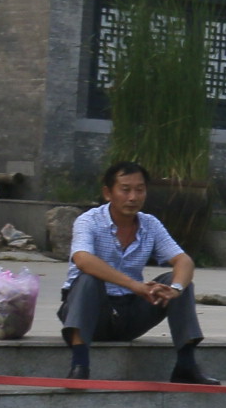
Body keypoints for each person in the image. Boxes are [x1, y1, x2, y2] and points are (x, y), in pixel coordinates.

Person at [62, 163, 215, 383]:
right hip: (90, 312)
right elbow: (82, 259)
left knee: (181, 284)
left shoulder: (150, 224)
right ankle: (79, 364)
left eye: (139, 190)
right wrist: (134, 285)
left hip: (129, 314)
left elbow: (183, 260)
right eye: (125, 189)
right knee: (87, 278)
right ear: (108, 193)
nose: (133, 197)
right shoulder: (89, 221)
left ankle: (186, 365)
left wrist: (175, 289)